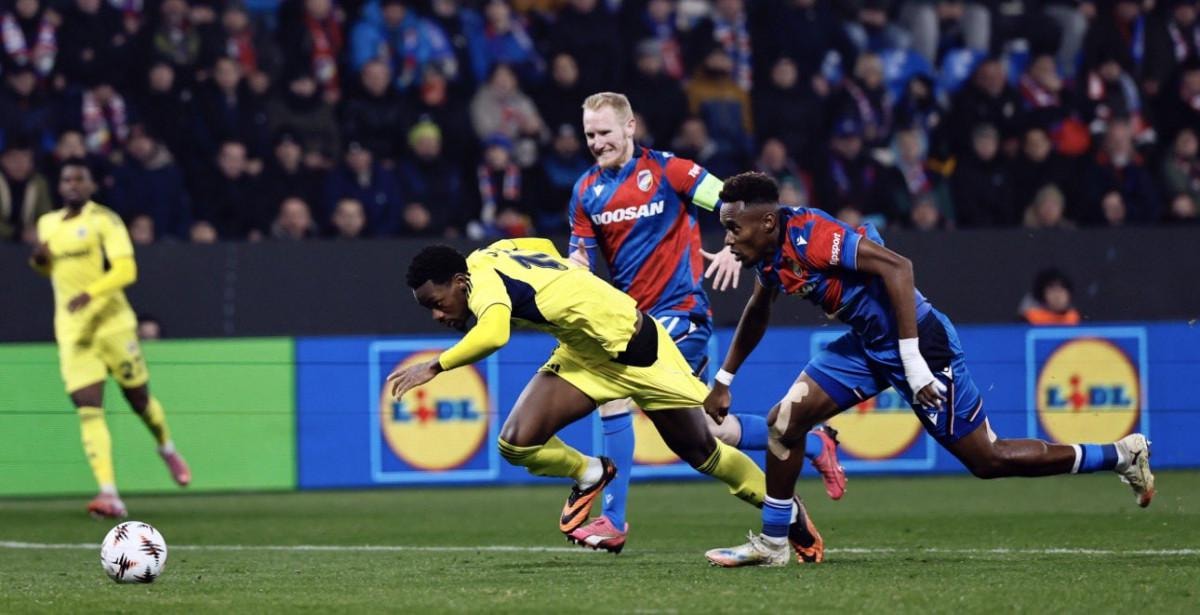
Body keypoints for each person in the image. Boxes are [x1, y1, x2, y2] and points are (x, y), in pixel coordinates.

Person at [702, 172, 1155, 567]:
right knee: (785, 423)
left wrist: (914, 360)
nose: (727, 239)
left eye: (733, 228)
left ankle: (1120, 455)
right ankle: (774, 543)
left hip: (919, 342)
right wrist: (724, 380)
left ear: (766, 222)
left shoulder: (811, 236)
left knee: (988, 459)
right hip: (867, 345)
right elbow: (758, 310)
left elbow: (899, 269)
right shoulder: (770, 255)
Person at [389, 239, 823, 557]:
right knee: (515, 442)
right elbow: (541, 246)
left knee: (702, 448)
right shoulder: (490, 254)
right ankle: (592, 472)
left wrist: (435, 366)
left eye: (438, 303)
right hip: (584, 352)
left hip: (637, 348)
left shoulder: (483, 287)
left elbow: (494, 333)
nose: (438, 315)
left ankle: (786, 513)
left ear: (459, 282)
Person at [563, 92, 845, 554]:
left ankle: (613, 520)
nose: (597, 142)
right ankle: (813, 444)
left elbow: (733, 204)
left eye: (605, 132)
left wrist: (735, 248)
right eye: (590, 134)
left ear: (630, 127)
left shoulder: (670, 171)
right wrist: (570, 275)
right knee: (711, 431)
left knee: (614, 395)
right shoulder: (585, 191)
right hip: (631, 321)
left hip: (682, 313)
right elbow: (581, 258)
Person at [28, 159, 191, 519]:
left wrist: (91, 293)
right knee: (88, 409)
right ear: (60, 186)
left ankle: (166, 447)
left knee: (139, 400)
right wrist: (39, 261)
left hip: (112, 324)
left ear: (91, 186)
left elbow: (126, 269)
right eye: (66, 179)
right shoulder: (47, 223)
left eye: (79, 179)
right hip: (73, 331)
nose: (72, 184)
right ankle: (109, 493)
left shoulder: (105, 220)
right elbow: (48, 269)